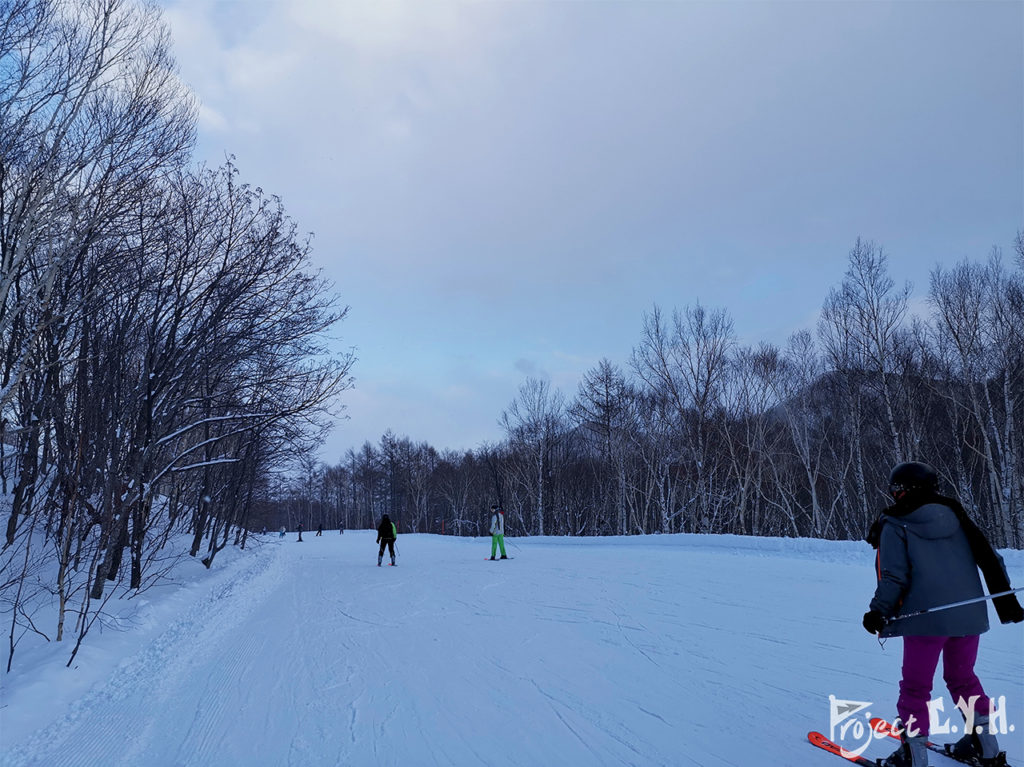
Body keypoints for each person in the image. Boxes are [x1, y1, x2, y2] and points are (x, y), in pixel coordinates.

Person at [863, 461, 1023, 767]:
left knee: (915, 686)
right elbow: (993, 560)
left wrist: (877, 612)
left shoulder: (896, 522)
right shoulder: (957, 515)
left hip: (926, 620)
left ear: (904, 491)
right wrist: (1008, 604)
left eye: (896, 489)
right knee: (962, 677)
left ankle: (914, 755)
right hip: (968, 616)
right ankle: (984, 745)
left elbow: (893, 575)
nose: (894, 495)